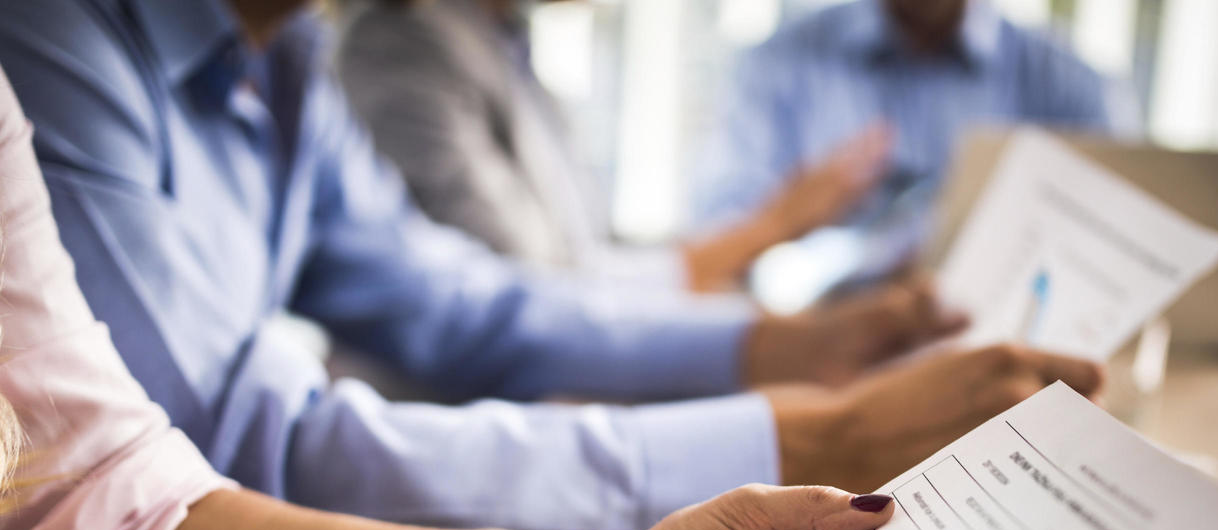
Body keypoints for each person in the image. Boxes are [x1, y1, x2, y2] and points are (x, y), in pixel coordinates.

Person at [0, 0, 1105, 530]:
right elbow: (225, 453)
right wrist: (794, 431)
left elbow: (467, 305)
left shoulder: (287, 55)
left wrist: (766, 367)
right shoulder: (55, 42)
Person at [695, 0, 1218, 354]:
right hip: (821, 363)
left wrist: (1217, 302)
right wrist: (783, 221)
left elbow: (1137, 243)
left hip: (1015, 382)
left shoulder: (1072, 81)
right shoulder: (777, 65)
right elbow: (709, 261)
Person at [337, 0, 892, 294]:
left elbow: (586, 249)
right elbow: (533, 286)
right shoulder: (403, 42)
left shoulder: (506, 47)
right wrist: (764, 230)